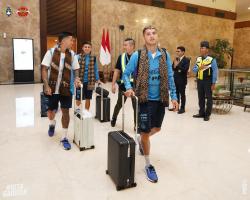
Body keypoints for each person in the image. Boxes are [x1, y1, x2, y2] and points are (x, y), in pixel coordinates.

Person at [123, 26, 178, 183]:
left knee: (157, 128)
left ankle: (142, 139)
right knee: (146, 133)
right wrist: (128, 88)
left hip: (160, 99)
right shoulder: (137, 55)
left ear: (157, 36)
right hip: (144, 100)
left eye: (154, 33)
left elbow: (170, 76)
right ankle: (148, 164)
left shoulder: (165, 55)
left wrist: (174, 96)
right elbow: (126, 74)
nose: (152, 36)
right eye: (148, 34)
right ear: (144, 38)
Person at [41, 32, 81, 150]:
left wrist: (77, 78)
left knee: (65, 112)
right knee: (50, 112)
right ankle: (52, 123)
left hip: (66, 88)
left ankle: (64, 137)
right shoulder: (51, 52)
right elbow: (44, 69)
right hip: (52, 88)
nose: (72, 42)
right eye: (71, 40)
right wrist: (46, 85)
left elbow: (76, 68)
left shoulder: (72, 54)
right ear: (63, 41)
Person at [111, 38, 136, 129]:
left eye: (126, 45)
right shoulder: (121, 57)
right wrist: (113, 84)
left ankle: (136, 125)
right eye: (124, 45)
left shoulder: (138, 56)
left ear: (132, 46)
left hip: (135, 86)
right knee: (119, 104)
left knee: (136, 106)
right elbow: (117, 71)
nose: (124, 47)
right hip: (123, 85)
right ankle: (114, 118)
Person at [193, 41, 218, 121]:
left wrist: (213, 83)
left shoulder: (211, 60)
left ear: (207, 50)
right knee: (200, 98)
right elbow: (194, 70)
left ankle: (207, 114)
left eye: (203, 48)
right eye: (201, 48)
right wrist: (199, 68)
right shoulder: (198, 59)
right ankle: (201, 113)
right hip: (199, 81)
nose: (201, 49)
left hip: (208, 81)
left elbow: (215, 71)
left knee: (209, 98)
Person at [75, 41, 101, 111]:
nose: (87, 48)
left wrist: (98, 79)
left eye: (89, 47)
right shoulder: (77, 57)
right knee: (78, 98)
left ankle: (86, 112)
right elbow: (75, 69)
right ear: (82, 48)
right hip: (80, 81)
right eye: (85, 47)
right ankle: (78, 111)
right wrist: (75, 80)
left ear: (91, 49)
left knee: (88, 98)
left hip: (90, 81)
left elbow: (95, 69)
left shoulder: (93, 58)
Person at [172, 46, 190, 114]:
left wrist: (178, 66)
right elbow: (173, 68)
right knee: (176, 93)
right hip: (175, 79)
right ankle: (176, 107)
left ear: (183, 52)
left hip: (182, 80)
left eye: (178, 51)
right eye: (177, 51)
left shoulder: (186, 60)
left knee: (182, 94)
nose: (177, 52)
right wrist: (175, 66)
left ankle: (182, 108)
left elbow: (185, 69)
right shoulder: (176, 59)